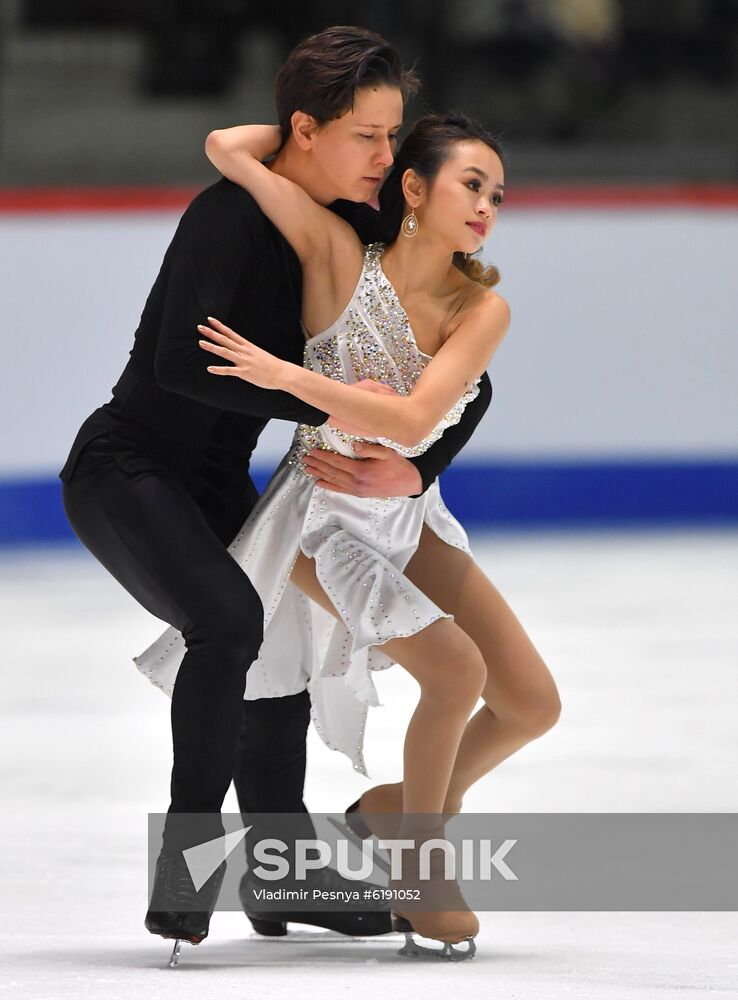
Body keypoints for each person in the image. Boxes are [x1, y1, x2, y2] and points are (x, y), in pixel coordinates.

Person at [59, 26, 493, 948]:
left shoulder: (362, 227)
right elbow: (178, 365)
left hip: (221, 481)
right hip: (127, 468)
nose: (388, 157)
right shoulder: (224, 219)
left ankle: (278, 874)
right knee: (229, 622)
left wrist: (420, 464)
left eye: (394, 136)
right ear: (304, 127)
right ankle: (187, 871)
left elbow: (465, 379)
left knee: (280, 651)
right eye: (368, 137)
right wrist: (317, 401)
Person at [136, 110, 561, 955]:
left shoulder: (482, 309)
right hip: (320, 516)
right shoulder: (336, 255)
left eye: (498, 195)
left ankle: (395, 811)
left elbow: (416, 415)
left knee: (530, 704)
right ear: (413, 188)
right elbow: (226, 148)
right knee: (456, 672)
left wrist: (285, 376)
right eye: (470, 184)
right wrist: (344, 127)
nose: (487, 206)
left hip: (406, 515)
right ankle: (419, 861)